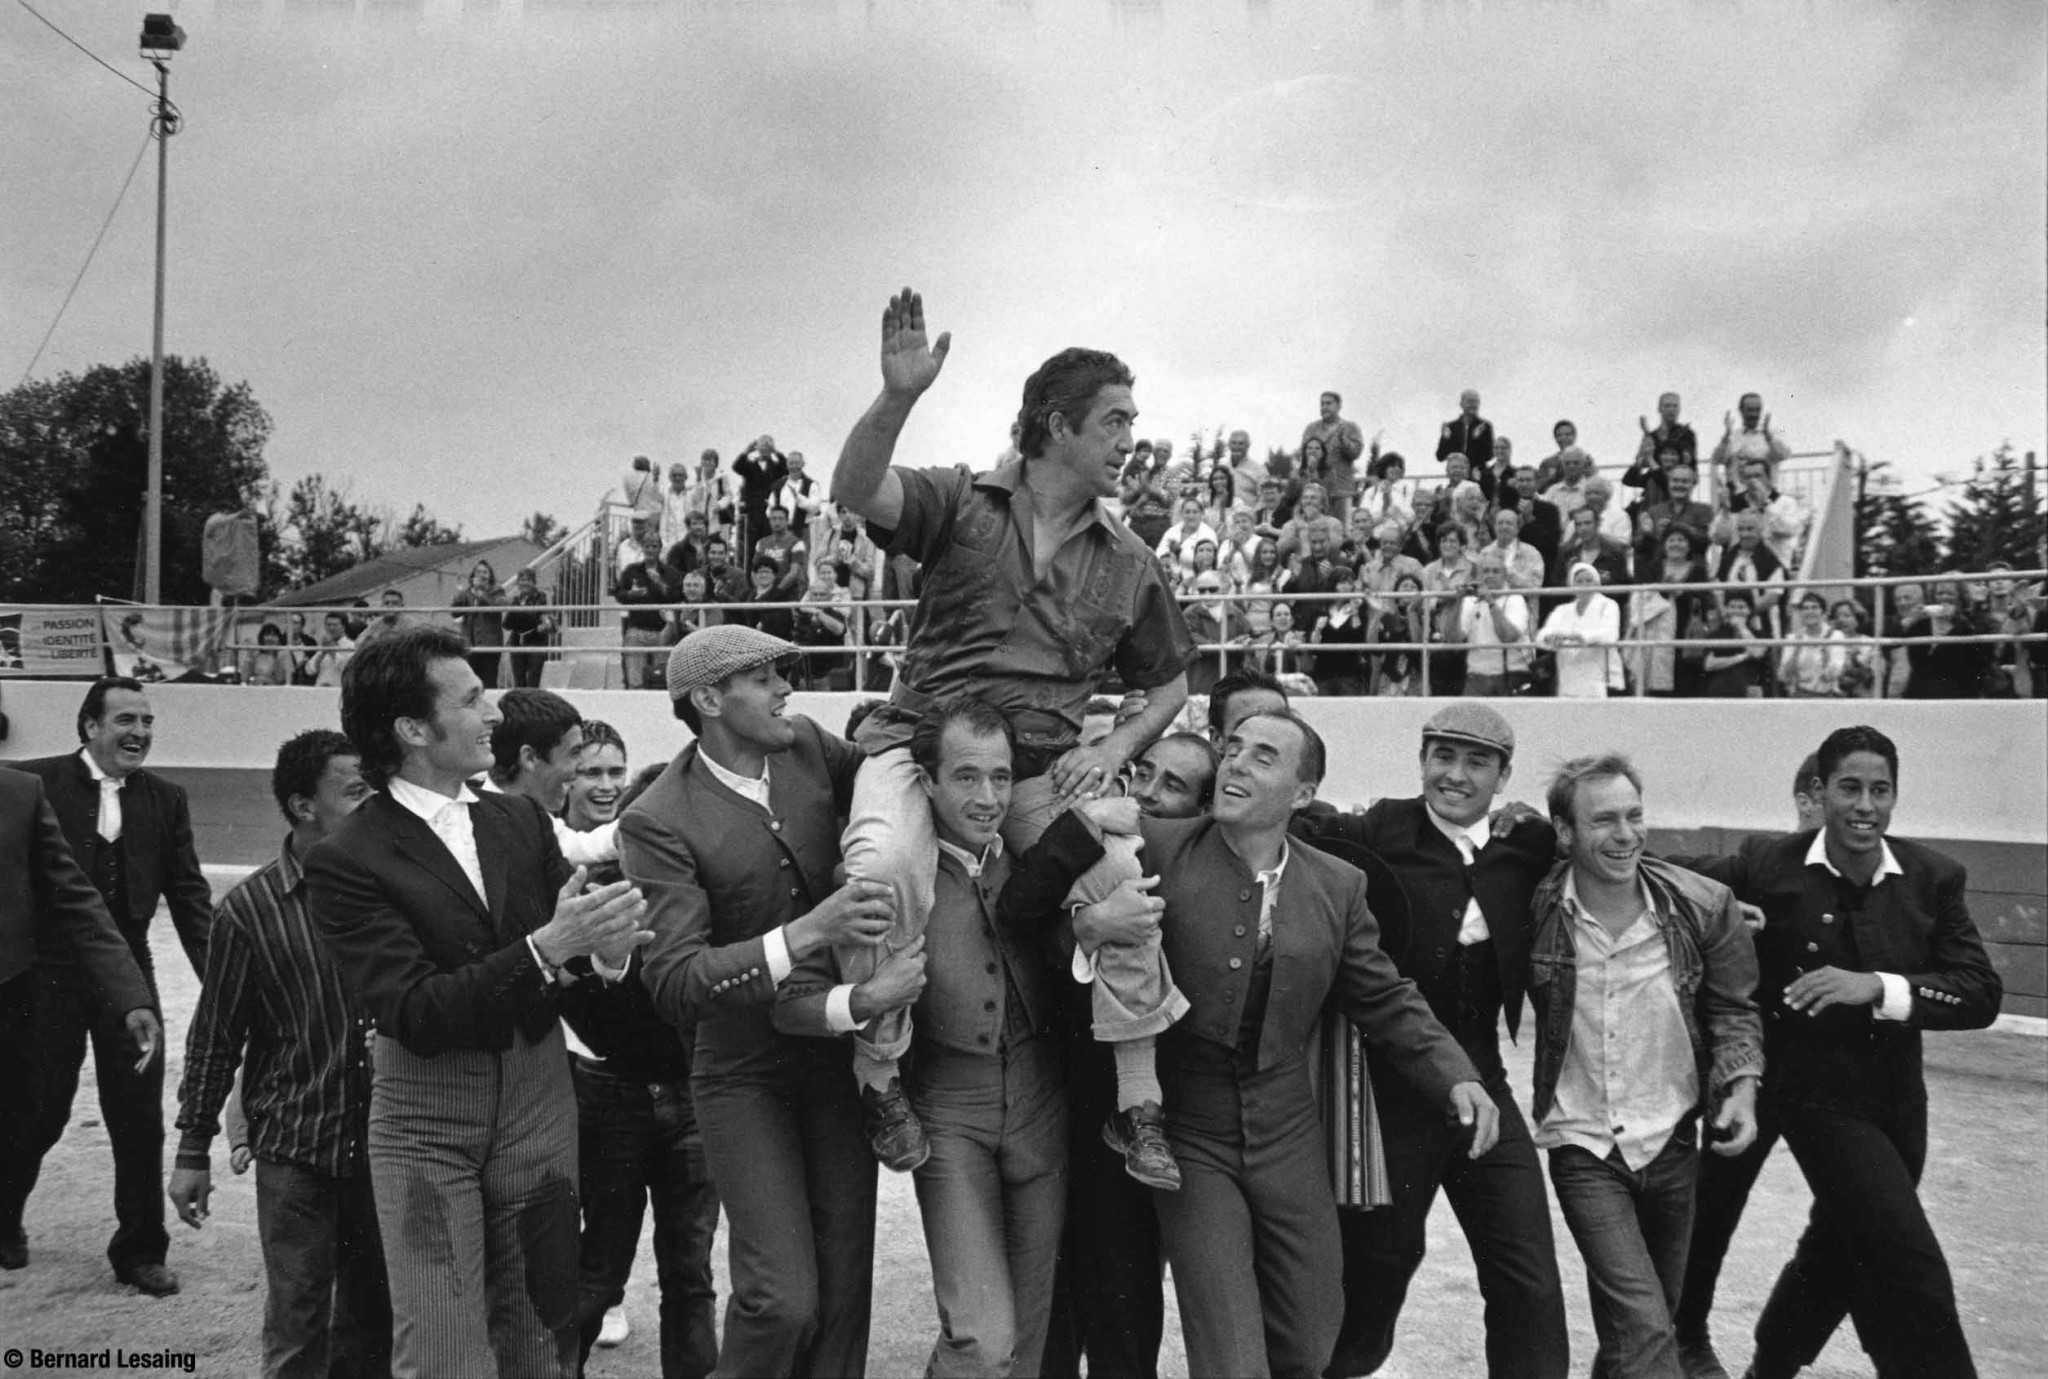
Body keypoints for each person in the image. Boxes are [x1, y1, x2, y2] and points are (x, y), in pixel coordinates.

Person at [827, 287, 1194, 1170]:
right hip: (917, 748)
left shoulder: (1133, 561)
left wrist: (1110, 748)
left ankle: (1138, 1107)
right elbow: (854, 488)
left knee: (1124, 892)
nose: (1129, 439)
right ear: (1056, 425)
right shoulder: (960, 500)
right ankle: (880, 1079)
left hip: (1033, 773)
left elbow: (1171, 683)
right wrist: (899, 395)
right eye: (1113, 421)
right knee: (879, 872)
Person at [306, 626, 653, 1378]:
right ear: (412, 729)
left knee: (543, 1336)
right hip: (427, 1117)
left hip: (538, 1099)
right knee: (442, 1351)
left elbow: (568, 962)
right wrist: (548, 949)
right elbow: (416, 1011)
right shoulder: (347, 858)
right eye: (471, 698)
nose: (492, 712)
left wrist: (608, 956)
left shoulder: (518, 819)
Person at [1139, 709, 1494, 1377]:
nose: (1238, 762)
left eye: (1263, 755)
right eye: (1233, 747)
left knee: (1309, 1339)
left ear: (1302, 794)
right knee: (1231, 1354)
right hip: (1189, 1125)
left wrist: (1457, 1073)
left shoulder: (1336, 883)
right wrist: (1087, 916)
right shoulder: (1161, 845)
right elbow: (1069, 875)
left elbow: (1384, 995)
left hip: (1287, 1127)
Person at [623, 626, 919, 1378]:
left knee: (846, 1286)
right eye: (763, 676)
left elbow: (893, 773)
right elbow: (676, 982)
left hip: (834, 1057)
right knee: (780, 1297)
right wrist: (808, 930)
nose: (787, 686)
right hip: (741, 1075)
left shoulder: (812, 746)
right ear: (709, 698)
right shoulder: (656, 817)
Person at [786, 697, 1110, 1378]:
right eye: (966, 776)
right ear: (925, 780)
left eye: (1000, 775)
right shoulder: (889, 873)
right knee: (981, 1339)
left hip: (1040, 1103)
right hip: (948, 1109)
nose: (988, 796)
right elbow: (802, 994)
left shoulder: (1031, 853)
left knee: (1026, 1333)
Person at [1671, 726, 2001, 1379]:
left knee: (1847, 1241)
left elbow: (1981, 993)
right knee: (1894, 1253)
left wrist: (1878, 985)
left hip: (1886, 1095)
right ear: (1819, 792)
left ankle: (1773, 1363)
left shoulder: (1934, 877)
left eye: (1881, 790)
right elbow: (1651, 870)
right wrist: (1544, 836)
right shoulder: (1767, 864)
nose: (1865, 805)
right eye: (1850, 787)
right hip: (1771, 1077)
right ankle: (1683, 1335)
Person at [1312, 704, 1571, 1379]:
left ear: (1503, 773)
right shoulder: (1376, 828)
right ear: (1422, 758)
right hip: (1390, 1097)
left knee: (1529, 1276)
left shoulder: (1528, 843)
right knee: (1379, 1271)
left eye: (1476, 761)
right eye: (1442, 755)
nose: (1454, 775)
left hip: (1485, 1084)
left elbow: (1607, 850)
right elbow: (1296, 826)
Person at [1528, 755, 1762, 1379]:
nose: (1626, 833)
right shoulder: (1539, 908)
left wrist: (1741, 1088)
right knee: (1645, 1326)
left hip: (1673, 1140)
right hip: (1583, 1144)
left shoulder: (1702, 908)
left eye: (1634, 815)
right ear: (1566, 833)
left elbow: (1734, 1011)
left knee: (1639, 1325)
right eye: (1604, 820)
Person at [168, 730, 391, 1379]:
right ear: (302, 805)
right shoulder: (249, 911)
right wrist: (192, 1150)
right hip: (296, 1149)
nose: (372, 802)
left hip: (383, 1146)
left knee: (374, 1319)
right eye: (355, 791)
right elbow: (214, 1036)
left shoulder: (394, 891)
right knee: (297, 1321)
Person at [1, 677, 211, 1296]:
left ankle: (141, 1249)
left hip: (133, 975)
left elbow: (192, 901)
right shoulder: (32, 782)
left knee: (140, 1117)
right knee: (37, 1109)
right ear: (89, 725)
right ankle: (5, 1216)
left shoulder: (167, 799)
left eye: (147, 721)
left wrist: (225, 984)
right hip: (49, 975)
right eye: (125, 720)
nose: (140, 733)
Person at [543, 722, 723, 1377]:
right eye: (591, 771)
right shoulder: (577, 881)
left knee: (690, 1272)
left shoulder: (702, 883)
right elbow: (574, 1003)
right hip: (610, 1090)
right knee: (598, 1268)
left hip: (689, 1091)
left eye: (614, 772)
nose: (606, 784)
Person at [0, 761, 161, 1276]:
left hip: (14, 987)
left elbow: (77, 901)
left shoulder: (19, 793)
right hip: (38, 979)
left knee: (43, 1110)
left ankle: (138, 1251)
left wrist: (131, 997)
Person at [1447, 549, 1531, 696]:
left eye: (1495, 571)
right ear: (1479, 575)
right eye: (1485, 571)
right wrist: (1456, 603)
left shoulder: (1515, 599)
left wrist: (1491, 602)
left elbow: (1508, 636)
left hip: (1509, 677)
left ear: (1504, 576)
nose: (1490, 575)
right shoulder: (1469, 601)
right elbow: (1453, 639)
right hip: (1476, 677)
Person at [1535, 562, 1624, 699]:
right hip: (1568, 678)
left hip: (1599, 679)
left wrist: (1581, 637)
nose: (1584, 585)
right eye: (1579, 581)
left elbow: (1610, 635)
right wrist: (1550, 638)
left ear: (1596, 584)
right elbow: (1542, 636)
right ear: (1572, 584)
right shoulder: (1562, 610)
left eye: (1589, 581)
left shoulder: (1609, 605)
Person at [1709, 395, 1791, 499]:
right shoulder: (1733, 437)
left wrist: (1768, 436)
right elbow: (1716, 459)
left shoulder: (1771, 435)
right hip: (1738, 500)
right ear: (1741, 411)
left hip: (1767, 498)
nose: (1754, 414)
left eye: (1757, 410)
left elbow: (1783, 455)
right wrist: (1726, 435)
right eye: (1750, 410)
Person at [616, 549, 676, 690]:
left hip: (663, 632)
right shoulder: (631, 570)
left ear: (660, 548)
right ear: (643, 548)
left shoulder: (670, 572)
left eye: (654, 545)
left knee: (662, 681)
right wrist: (631, 594)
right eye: (647, 545)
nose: (650, 549)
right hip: (637, 631)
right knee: (635, 683)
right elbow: (619, 594)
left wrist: (659, 582)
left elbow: (676, 596)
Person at [1303, 392, 1368, 518]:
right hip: (1317, 489)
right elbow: (1304, 453)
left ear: (1339, 406)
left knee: (1342, 531)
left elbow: (1356, 453)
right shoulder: (1311, 428)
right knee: (1317, 528)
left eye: (1328, 403)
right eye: (1322, 404)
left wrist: (1345, 442)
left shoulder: (1351, 427)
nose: (1324, 407)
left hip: (1342, 489)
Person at [1777, 592, 1847, 698]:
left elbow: (1832, 674)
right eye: (1805, 608)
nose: (1810, 611)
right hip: (1800, 695)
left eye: (1815, 607)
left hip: (1827, 697)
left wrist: (1825, 652)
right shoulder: (1793, 638)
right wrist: (1797, 648)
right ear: (1800, 613)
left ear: (1823, 612)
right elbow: (1783, 676)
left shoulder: (1836, 636)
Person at [451, 560, 508, 689]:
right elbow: (455, 613)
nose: (482, 575)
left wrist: (482, 595)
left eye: (485, 572)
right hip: (470, 644)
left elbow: (500, 606)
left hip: (490, 644)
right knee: (472, 682)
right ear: (473, 576)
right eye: (478, 572)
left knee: (489, 682)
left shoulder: (497, 591)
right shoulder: (466, 593)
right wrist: (460, 594)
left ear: (490, 575)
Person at [1438, 390, 1498, 499]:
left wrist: (1476, 439)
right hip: (1457, 477)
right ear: (1461, 404)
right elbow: (1440, 456)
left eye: (1476, 402)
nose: (1473, 405)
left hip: (1479, 477)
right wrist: (1446, 438)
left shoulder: (1485, 426)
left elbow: (1490, 455)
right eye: (1470, 401)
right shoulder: (1452, 427)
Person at [504, 567, 556, 688]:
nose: (524, 583)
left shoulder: (540, 597)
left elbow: (532, 618)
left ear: (533, 583)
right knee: (519, 682)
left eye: (528, 579)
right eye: (521, 580)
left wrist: (518, 611)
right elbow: (506, 624)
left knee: (533, 681)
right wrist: (516, 609)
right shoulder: (516, 600)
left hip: (536, 642)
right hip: (517, 642)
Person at [311, 612, 357, 688]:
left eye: (335, 625)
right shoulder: (324, 646)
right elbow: (310, 670)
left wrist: (333, 653)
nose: (331, 628)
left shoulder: (352, 646)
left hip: (340, 691)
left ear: (344, 627)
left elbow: (347, 669)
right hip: (319, 691)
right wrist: (322, 654)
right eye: (328, 625)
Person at [243, 622, 294, 686]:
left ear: (279, 639)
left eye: (273, 635)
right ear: (262, 637)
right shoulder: (256, 654)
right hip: (255, 687)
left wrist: (275, 655)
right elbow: (244, 678)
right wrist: (249, 653)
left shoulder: (284, 654)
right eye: (267, 635)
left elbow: (280, 679)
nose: (270, 638)